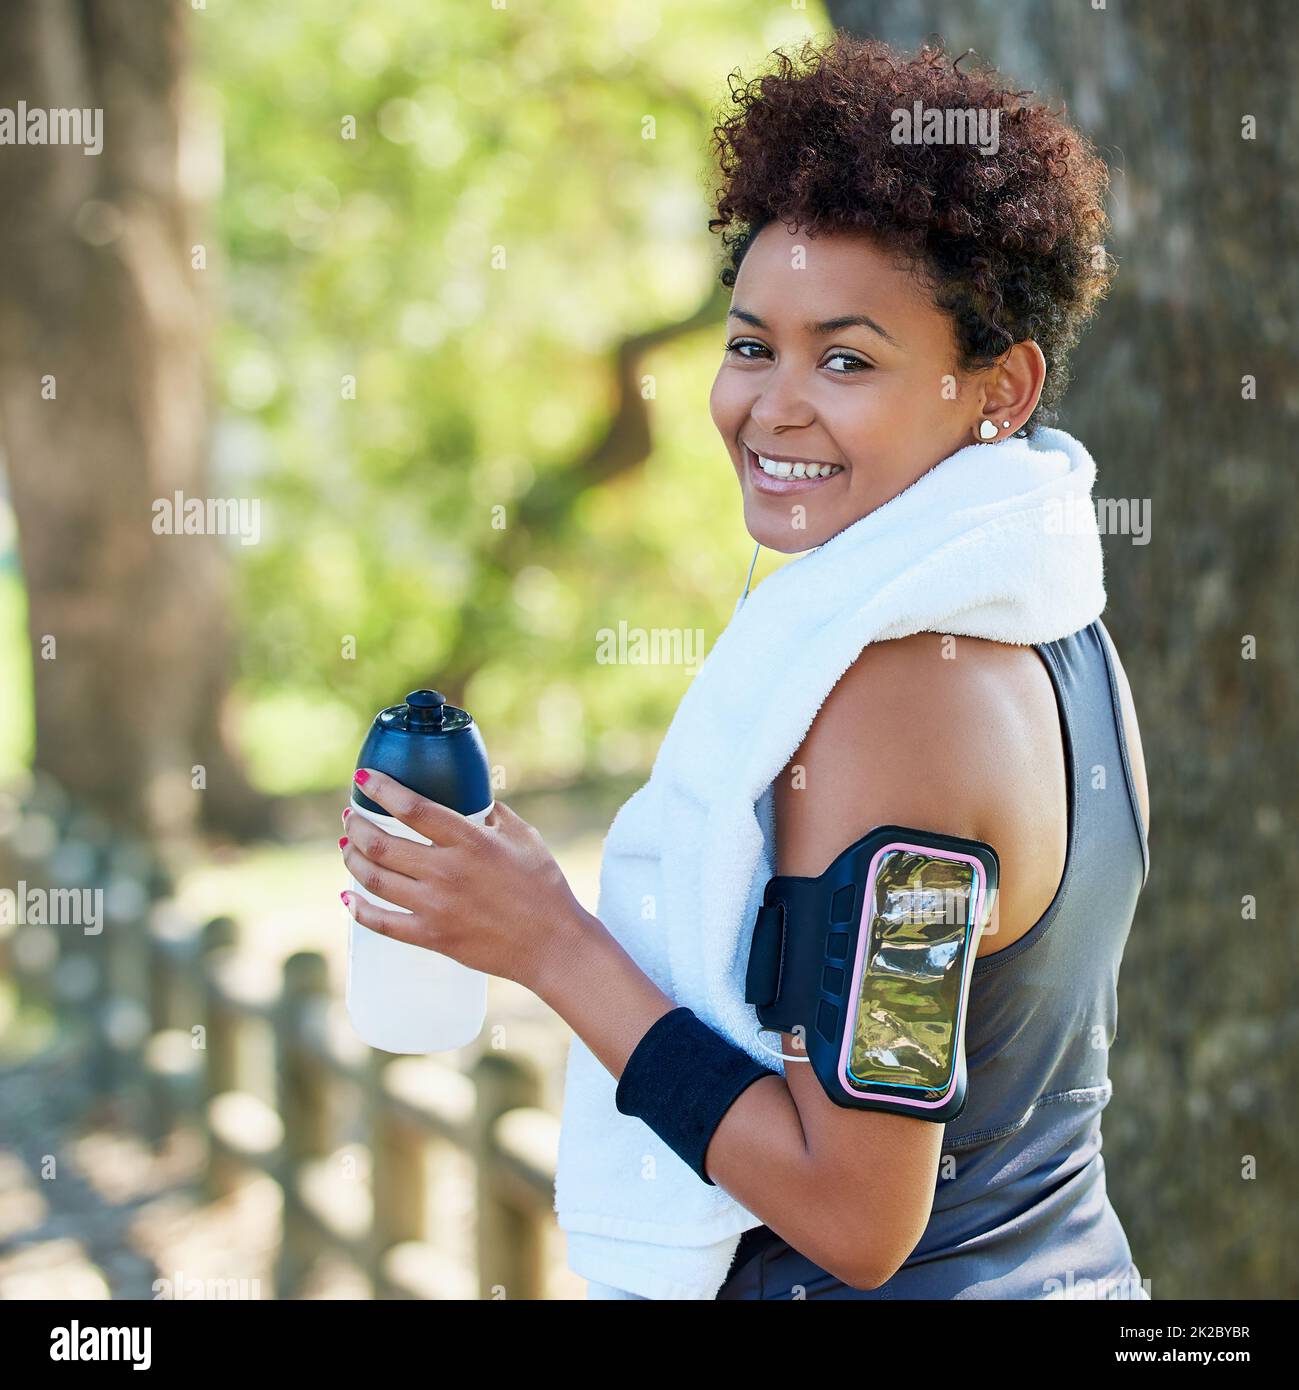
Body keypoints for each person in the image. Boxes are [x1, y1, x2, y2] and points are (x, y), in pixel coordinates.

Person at [338, 31, 1152, 1300]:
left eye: (847, 359)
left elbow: (856, 1211)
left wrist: (551, 944)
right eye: (748, 344)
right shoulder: (1058, 631)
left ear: (999, 386)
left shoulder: (910, 701)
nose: (772, 405)